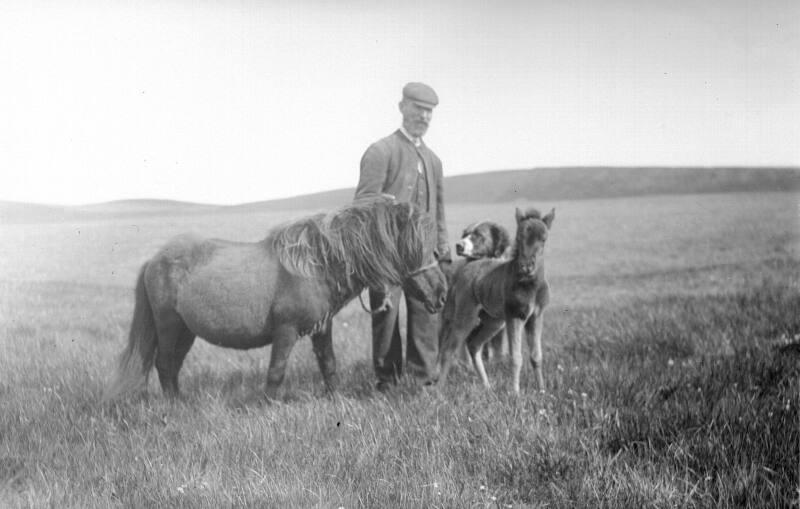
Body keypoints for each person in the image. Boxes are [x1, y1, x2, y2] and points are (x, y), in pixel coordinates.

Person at [354, 82, 451, 390]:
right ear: (402, 108)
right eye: (418, 108)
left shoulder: (433, 160)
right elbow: (363, 203)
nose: (424, 116)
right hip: (387, 257)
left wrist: (443, 253)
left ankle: (424, 382)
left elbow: (438, 212)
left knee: (427, 315)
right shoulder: (381, 151)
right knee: (386, 318)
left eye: (429, 111)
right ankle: (388, 383)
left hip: (424, 259)